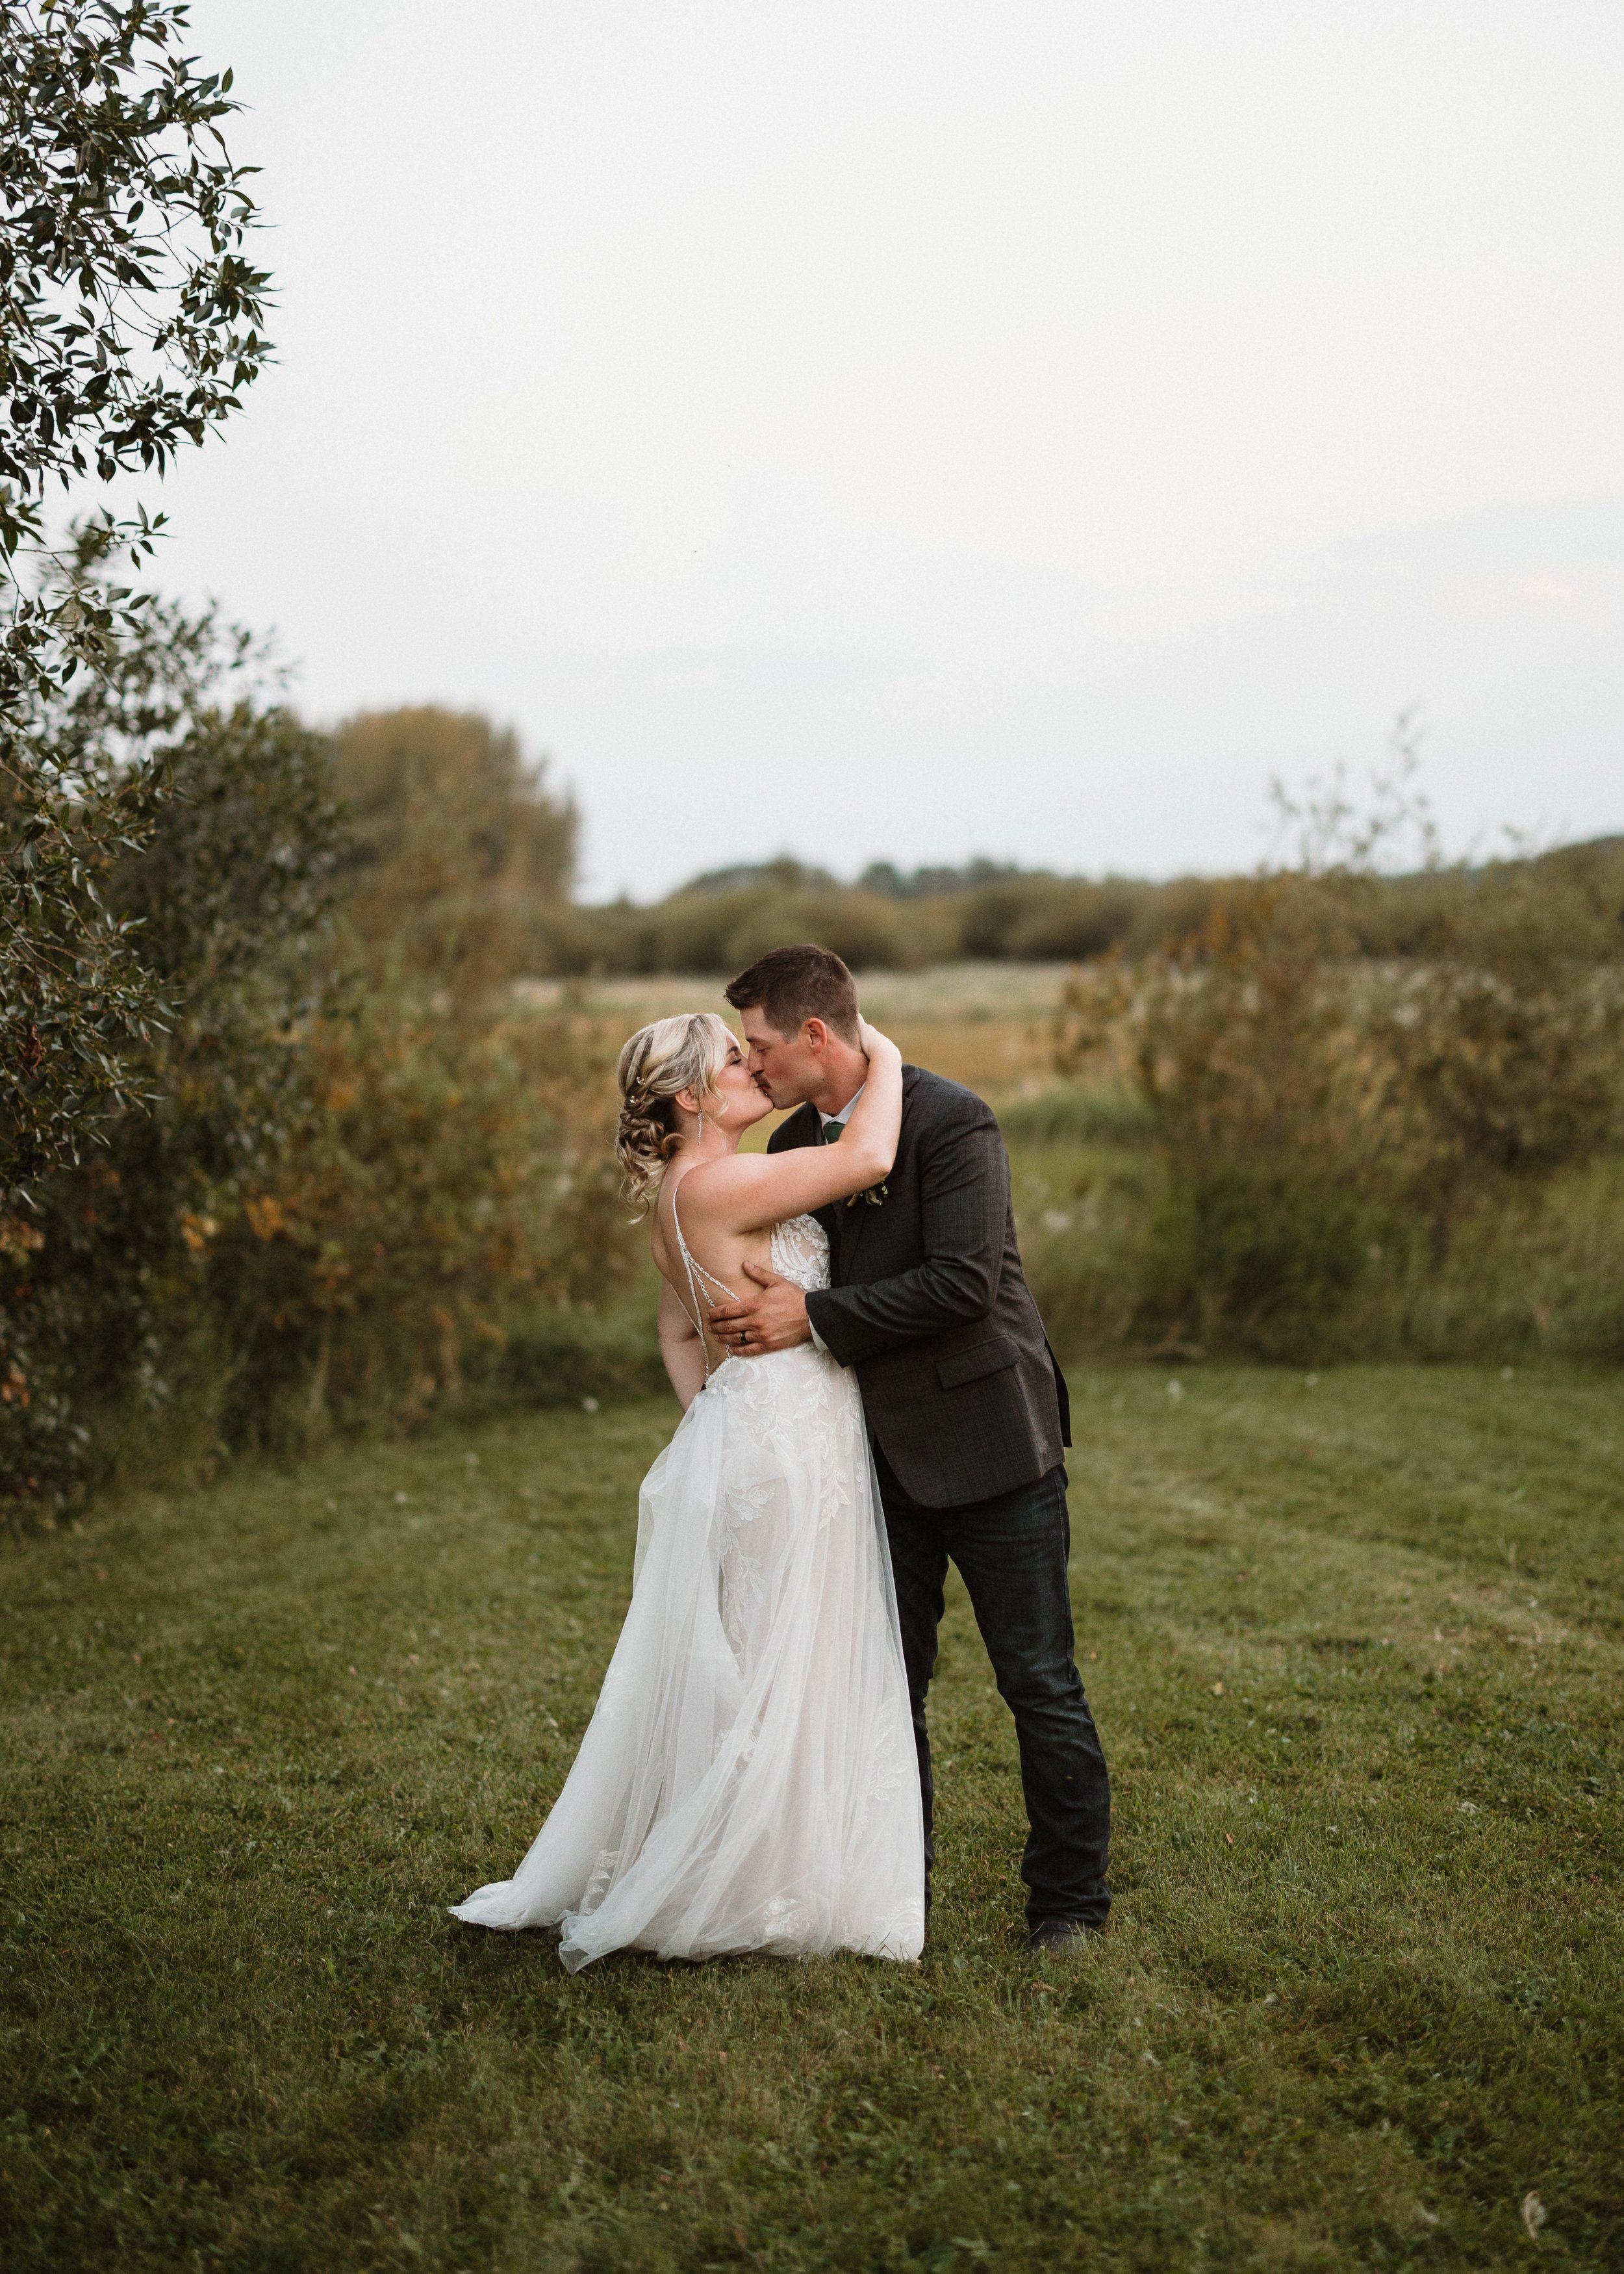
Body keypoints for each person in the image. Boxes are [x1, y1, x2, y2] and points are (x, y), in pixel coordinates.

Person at [451, 1010, 925, 1969]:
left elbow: (677, 1334)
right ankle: (753, 1884)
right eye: (734, 1061)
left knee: (763, 1652)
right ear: (690, 1096)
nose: (754, 1067)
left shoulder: (680, 1193)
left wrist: (721, 1407)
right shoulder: (721, 1180)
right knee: (786, 1655)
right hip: (789, 1442)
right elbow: (872, 1154)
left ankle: (760, 1863)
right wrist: (883, 1054)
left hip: (758, 1431)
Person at [707, 944, 1111, 1954]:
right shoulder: (799, 1141)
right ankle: (900, 1887)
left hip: (991, 1443)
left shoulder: (953, 1119)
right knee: (891, 1684)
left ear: (814, 1034)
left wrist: (816, 1319)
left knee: (1039, 1681)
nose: (751, 1067)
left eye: (760, 1046)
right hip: (873, 1457)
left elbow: (964, 1282)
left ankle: (1068, 1903)